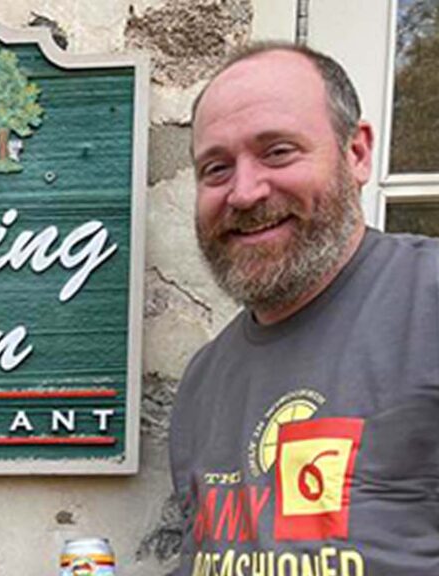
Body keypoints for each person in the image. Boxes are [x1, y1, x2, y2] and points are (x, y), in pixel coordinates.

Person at [171, 43, 439, 575]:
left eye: (278, 152)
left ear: (357, 153)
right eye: (217, 168)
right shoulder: (203, 381)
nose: (244, 193)